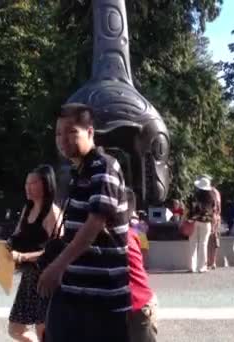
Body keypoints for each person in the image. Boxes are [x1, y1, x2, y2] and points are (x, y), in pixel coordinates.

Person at [38, 103, 130, 341]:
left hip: (102, 299)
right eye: (58, 133)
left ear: (90, 132)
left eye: (71, 131)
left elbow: (95, 223)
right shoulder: (78, 172)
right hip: (73, 294)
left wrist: (57, 266)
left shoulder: (104, 166)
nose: (63, 139)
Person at [8, 165, 60, 342]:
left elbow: (57, 251)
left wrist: (23, 257)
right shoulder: (27, 208)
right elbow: (15, 237)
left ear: (45, 184)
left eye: (33, 183)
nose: (27, 187)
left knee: (43, 330)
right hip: (29, 277)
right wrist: (6, 252)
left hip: (47, 277)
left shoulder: (52, 212)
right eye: (26, 183)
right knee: (15, 329)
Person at [125, 189, 158, 342]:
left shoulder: (123, 232)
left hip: (138, 304)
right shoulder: (137, 229)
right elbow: (143, 250)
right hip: (142, 301)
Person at [185, 176, 220, 272]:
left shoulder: (192, 196)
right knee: (203, 244)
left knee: (192, 243)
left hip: (193, 221)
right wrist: (214, 224)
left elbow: (188, 209)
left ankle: (191, 267)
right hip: (206, 222)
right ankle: (201, 267)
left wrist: (188, 219)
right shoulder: (211, 197)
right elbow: (214, 211)